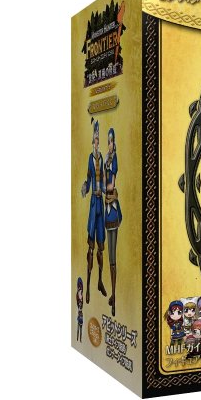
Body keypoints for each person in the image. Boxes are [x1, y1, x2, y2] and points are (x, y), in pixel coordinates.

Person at [81, 120, 106, 304]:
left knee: (101, 247)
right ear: (92, 142)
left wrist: (108, 190)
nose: (96, 143)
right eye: (94, 140)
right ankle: (88, 285)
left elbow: (103, 181)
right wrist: (85, 187)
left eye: (98, 140)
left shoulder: (102, 159)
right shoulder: (91, 158)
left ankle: (99, 281)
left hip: (101, 204)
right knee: (91, 246)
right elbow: (89, 179)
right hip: (93, 205)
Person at [104, 128, 122, 316]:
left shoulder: (113, 160)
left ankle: (115, 295)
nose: (109, 144)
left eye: (111, 141)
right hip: (107, 209)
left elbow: (111, 185)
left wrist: (109, 193)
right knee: (109, 256)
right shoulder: (106, 160)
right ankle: (113, 294)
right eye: (108, 141)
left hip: (113, 213)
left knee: (113, 257)